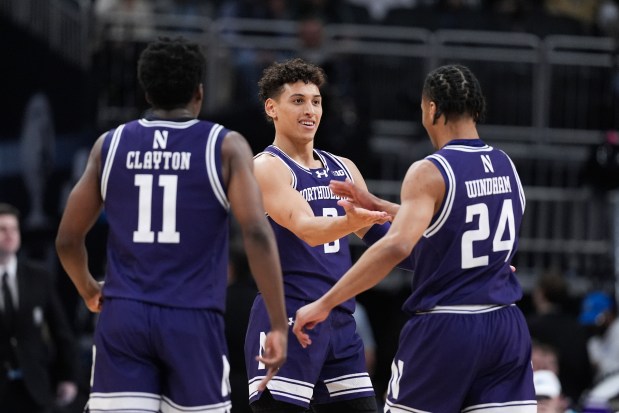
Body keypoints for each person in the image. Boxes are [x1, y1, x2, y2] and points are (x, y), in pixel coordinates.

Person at [55, 36, 288, 412]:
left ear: (147, 93)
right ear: (199, 92)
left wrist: (86, 288)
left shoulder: (109, 146)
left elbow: (67, 239)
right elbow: (257, 233)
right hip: (192, 318)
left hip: (124, 315)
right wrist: (278, 323)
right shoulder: (225, 146)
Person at [293, 64, 537, 412]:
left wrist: (325, 302)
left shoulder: (430, 170)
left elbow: (398, 245)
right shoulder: (505, 164)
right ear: (477, 108)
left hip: (448, 327)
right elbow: (451, 225)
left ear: (432, 108)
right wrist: (380, 205)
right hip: (506, 326)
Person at [245, 57, 392, 413]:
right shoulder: (267, 166)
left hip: (340, 322)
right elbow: (308, 229)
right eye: (297, 101)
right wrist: (356, 219)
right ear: (272, 108)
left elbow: (390, 243)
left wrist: (459, 264)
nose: (309, 109)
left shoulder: (344, 167)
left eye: (316, 101)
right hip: (289, 318)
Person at [0, 203, 79, 413]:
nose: (9, 235)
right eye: (2, 229)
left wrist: (68, 377)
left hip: (36, 388)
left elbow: (60, 330)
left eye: (14, 229)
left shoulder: (38, 277)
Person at [527, 272, 593, 405]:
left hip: (539, 400)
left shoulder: (528, 326)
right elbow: (586, 371)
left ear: (541, 293)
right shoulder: (576, 328)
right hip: (572, 399)